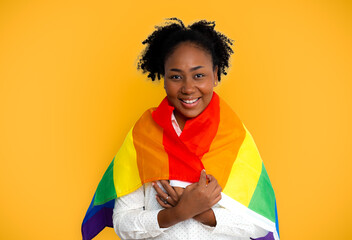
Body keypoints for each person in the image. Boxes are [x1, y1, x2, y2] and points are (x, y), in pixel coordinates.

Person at [81, 18, 279, 240]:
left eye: (199, 75)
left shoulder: (235, 137)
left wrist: (202, 212)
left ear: (215, 74)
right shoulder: (144, 135)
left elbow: (259, 224)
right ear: (163, 78)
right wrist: (178, 213)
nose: (188, 88)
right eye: (176, 76)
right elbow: (122, 223)